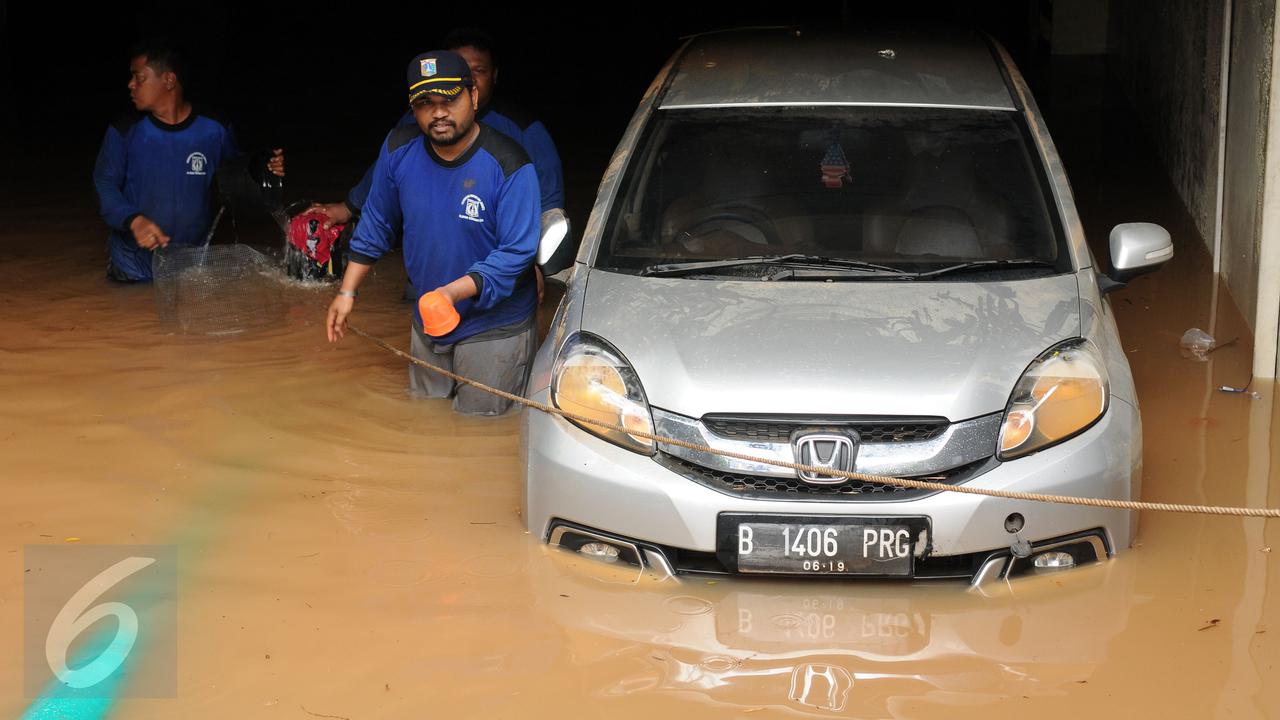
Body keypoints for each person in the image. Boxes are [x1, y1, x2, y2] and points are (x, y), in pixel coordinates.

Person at [325, 50, 540, 416]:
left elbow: (517, 253)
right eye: (425, 103)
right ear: (413, 109)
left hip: (493, 323)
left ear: (473, 97)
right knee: (425, 418)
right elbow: (377, 221)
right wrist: (347, 292)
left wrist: (451, 292)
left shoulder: (509, 164)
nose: (438, 112)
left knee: (480, 429)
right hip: (429, 317)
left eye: (449, 99)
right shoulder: (397, 149)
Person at [310, 28, 565, 291]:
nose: (469, 78)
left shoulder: (523, 131)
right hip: (428, 284)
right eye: (459, 68)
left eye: (479, 70)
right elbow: (385, 180)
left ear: (492, 77)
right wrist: (349, 207)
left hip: (495, 284)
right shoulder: (413, 128)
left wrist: (535, 264)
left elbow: (550, 208)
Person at [92, 41, 285, 282]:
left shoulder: (214, 128)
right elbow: (104, 184)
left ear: (169, 80)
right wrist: (133, 220)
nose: (130, 84)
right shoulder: (125, 130)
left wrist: (267, 166)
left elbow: (238, 175)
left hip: (190, 268)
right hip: (132, 267)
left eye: (139, 78)